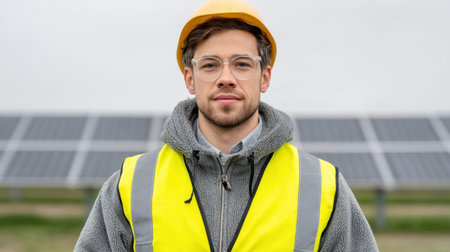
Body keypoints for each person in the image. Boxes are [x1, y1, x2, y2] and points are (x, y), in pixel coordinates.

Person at [75, 0, 378, 251]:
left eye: (242, 63)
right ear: (189, 79)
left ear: (265, 77)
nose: (226, 77)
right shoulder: (129, 185)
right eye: (209, 64)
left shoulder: (324, 187)